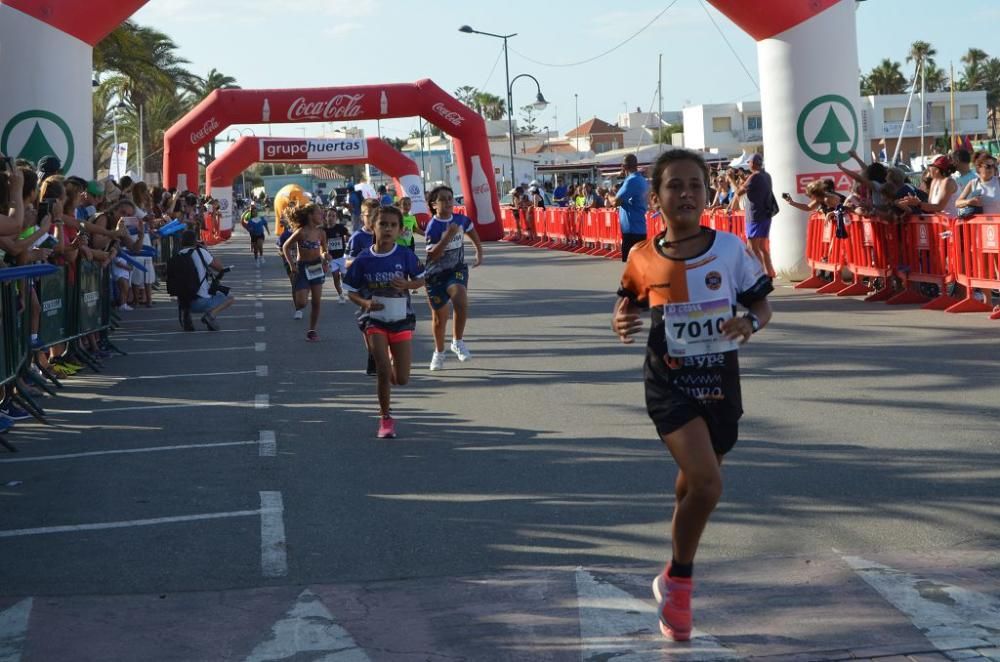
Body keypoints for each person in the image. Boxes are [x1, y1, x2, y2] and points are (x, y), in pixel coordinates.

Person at [612, 149, 773, 643]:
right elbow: (627, 304)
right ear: (655, 198)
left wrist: (749, 321)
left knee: (693, 485)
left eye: (695, 186)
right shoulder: (641, 255)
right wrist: (622, 319)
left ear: (707, 194)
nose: (685, 194)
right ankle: (680, 581)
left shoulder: (729, 249)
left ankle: (667, 576)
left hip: (720, 382)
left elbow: (763, 306)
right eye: (674, 186)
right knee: (707, 485)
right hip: (668, 382)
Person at [343, 206, 425, 439]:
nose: (388, 229)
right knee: (381, 369)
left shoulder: (405, 255)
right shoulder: (364, 259)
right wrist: (365, 304)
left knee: (402, 378)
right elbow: (350, 291)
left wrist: (408, 285)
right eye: (383, 224)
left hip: (400, 319)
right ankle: (385, 418)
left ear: (400, 230)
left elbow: (421, 279)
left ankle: (390, 364)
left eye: (393, 225)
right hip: (374, 319)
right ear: (373, 227)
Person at [424, 185, 483, 371]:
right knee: (439, 319)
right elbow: (433, 255)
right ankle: (439, 352)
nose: (449, 202)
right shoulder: (432, 227)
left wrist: (479, 250)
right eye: (443, 199)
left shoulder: (460, 219)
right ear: (434, 205)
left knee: (460, 300)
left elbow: (471, 229)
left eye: (450, 198)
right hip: (435, 274)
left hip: (456, 269)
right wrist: (448, 236)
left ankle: (457, 341)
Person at [281, 203, 328, 341]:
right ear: (310, 216)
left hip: (316, 267)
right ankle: (303, 288)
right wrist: (292, 265)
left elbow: (324, 250)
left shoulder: (321, 233)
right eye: (319, 213)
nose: (322, 215)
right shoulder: (301, 232)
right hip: (302, 267)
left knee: (316, 302)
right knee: (301, 303)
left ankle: (312, 330)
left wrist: (325, 257)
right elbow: (285, 247)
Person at [178, 229, 235, 331]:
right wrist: (206, 250)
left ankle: (186, 315)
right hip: (201, 302)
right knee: (230, 297)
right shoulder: (201, 252)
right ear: (195, 241)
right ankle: (211, 316)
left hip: (183, 302)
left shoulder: (177, 254)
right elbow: (219, 267)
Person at [736, 153, 777, 278]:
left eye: (749, 163)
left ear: (753, 163)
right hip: (765, 214)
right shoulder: (766, 175)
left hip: (754, 215)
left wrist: (743, 182)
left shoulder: (754, 176)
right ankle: (769, 272)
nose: (748, 165)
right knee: (762, 248)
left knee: (753, 248)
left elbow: (739, 191)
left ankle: (759, 274)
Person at [612, 154, 649, 262]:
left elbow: (616, 202)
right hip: (639, 228)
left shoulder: (631, 181)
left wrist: (608, 196)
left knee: (630, 267)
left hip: (631, 231)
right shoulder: (641, 179)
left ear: (624, 167)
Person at [956, 152, 1000, 216]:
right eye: (988, 166)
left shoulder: (998, 181)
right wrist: (969, 202)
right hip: (979, 224)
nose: (991, 169)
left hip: (997, 224)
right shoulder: (973, 183)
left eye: (993, 166)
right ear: (979, 167)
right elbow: (957, 203)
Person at [322, 207, 350, 303]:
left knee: (344, 277)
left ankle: (344, 287)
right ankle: (341, 295)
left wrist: (348, 240)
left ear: (336, 218)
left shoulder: (340, 228)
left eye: (333, 216)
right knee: (335, 276)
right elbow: (322, 244)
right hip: (332, 258)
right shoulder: (324, 230)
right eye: (329, 215)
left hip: (342, 257)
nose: (331, 217)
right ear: (326, 217)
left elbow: (349, 236)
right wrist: (324, 255)